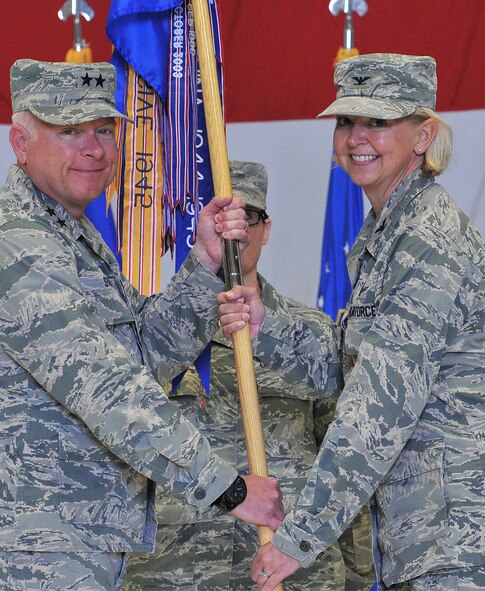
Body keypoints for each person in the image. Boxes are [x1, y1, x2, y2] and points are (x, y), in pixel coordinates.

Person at [0, 59, 284, 591]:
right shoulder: (15, 245)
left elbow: (144, 357)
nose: (95, 149)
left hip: (71, 543)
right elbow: (105, 387)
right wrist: (228, 488)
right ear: (20, 142)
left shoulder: (68, 235)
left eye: (104, 129)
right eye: (69, 132)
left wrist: (206, 265)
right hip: (27, 547)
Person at [218, 54, 485, 591]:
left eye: (378, 122)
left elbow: (381, 399)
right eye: (347, 121)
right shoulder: (387, 232)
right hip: (430, 533)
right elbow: (349, 364)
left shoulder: (427, 238)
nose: (356, 138)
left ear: (422, 136)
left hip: (470, 530)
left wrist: (299, 536)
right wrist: (267, 326)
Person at [123, 161, 376, 591]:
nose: (233, 231)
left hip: (296, 570)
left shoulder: (309, 335)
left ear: (266, 227)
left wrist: (358, 571)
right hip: (175, 570)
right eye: (219, 218)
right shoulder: (151, 336)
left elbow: (347, 452)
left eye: (247, 217)